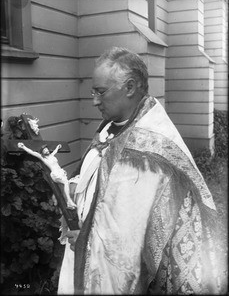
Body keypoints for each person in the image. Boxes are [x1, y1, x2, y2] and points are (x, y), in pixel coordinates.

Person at [57, 47, 221, 295]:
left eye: (101, 92)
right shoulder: (113, 126)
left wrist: (85, 240)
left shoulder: (147, 154)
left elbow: (126, 242)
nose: (94, 101)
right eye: (93, 92)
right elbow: (99, 183)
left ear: (130, 87)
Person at [17, 142, 77, 209]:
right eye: (44, 150)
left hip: (61, 172)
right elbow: (32, 152)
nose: (47, 150)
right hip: (55, 174)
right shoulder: (43, 158)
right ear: (42, 152)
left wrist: (58, 147)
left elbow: (55, 151)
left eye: (47, 149)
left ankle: (68, 202)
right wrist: (23, 147)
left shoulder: (52, 155)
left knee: (66, 184)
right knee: (66, 183)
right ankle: (69, 201)